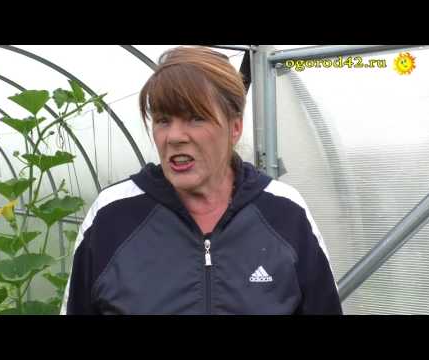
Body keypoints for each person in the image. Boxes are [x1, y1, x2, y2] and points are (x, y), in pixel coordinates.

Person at [61, 46, 342, 315]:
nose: (174, 136)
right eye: (163, 120)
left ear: (235, 127)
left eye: (195, 118)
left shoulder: (285, 212)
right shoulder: (112, 216)